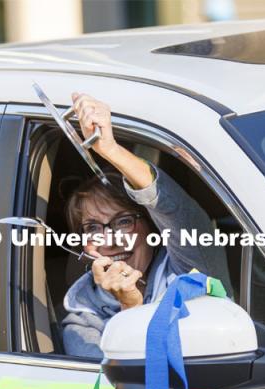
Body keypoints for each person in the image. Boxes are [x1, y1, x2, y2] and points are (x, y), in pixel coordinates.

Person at [61, 93, 232, 358]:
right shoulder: (82, 322)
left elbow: (178, 212)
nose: (112, 240)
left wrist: (109, 149)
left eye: (123, 221)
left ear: (152, 226)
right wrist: (130, 307)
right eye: (93, 228)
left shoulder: (188, 267)